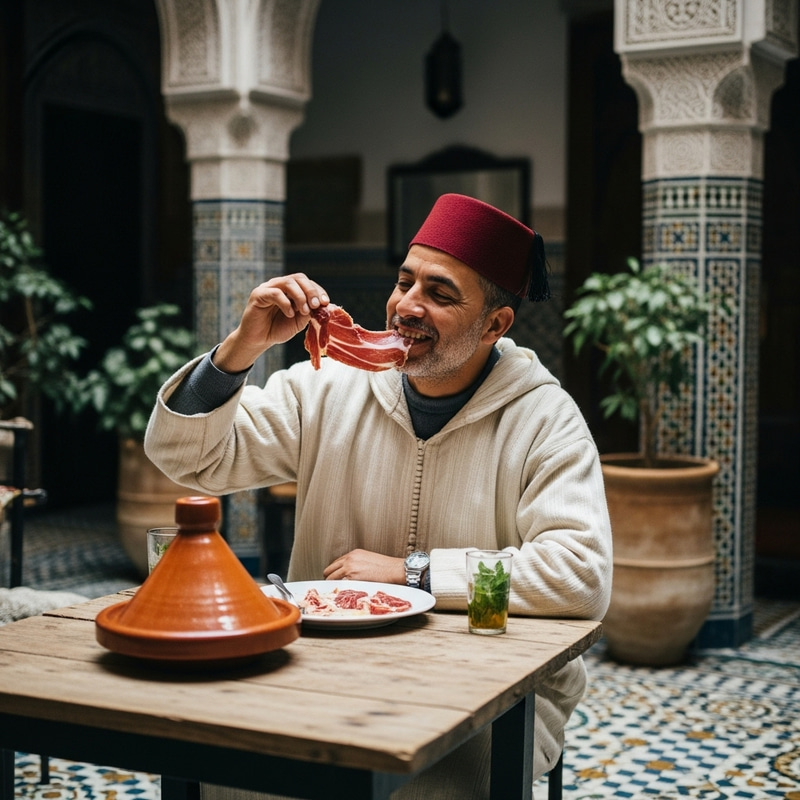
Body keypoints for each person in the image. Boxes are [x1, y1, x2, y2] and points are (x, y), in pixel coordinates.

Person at [144, 193, 612, 799]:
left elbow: (579, 576)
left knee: (414, 790)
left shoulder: (545, 419)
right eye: (403, 281)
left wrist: (413, 574)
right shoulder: (329, 387)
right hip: (325, 671)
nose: (406, 307)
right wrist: (242, 350)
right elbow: (189, 457)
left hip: (492, 694)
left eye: (440, 295)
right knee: (227, 777)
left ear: (495, 325)